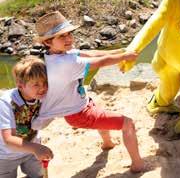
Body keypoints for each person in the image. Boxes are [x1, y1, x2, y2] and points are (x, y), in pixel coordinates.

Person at [32, 11, 144, 172]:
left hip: (80, 104)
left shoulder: (57, 54)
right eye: (62, 36)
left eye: (69, 34)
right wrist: (125, 56)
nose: (68, 38)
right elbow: (100, 62)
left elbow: (92, 53)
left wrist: (118, 51)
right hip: (78, 114)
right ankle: (138, 165)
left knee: (98, 109)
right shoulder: (65, 63)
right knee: (128, 124)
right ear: (48, 42)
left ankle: (107, 143)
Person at [0, 56, 54, 178]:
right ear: (20, 85)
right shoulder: (6, 102)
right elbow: (9, 140)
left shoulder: (43, 96)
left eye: (45, 82)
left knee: (38, 175)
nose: (43, 88)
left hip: (31, 151)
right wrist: (36, 148)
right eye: (36, 84)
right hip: (6, 155)